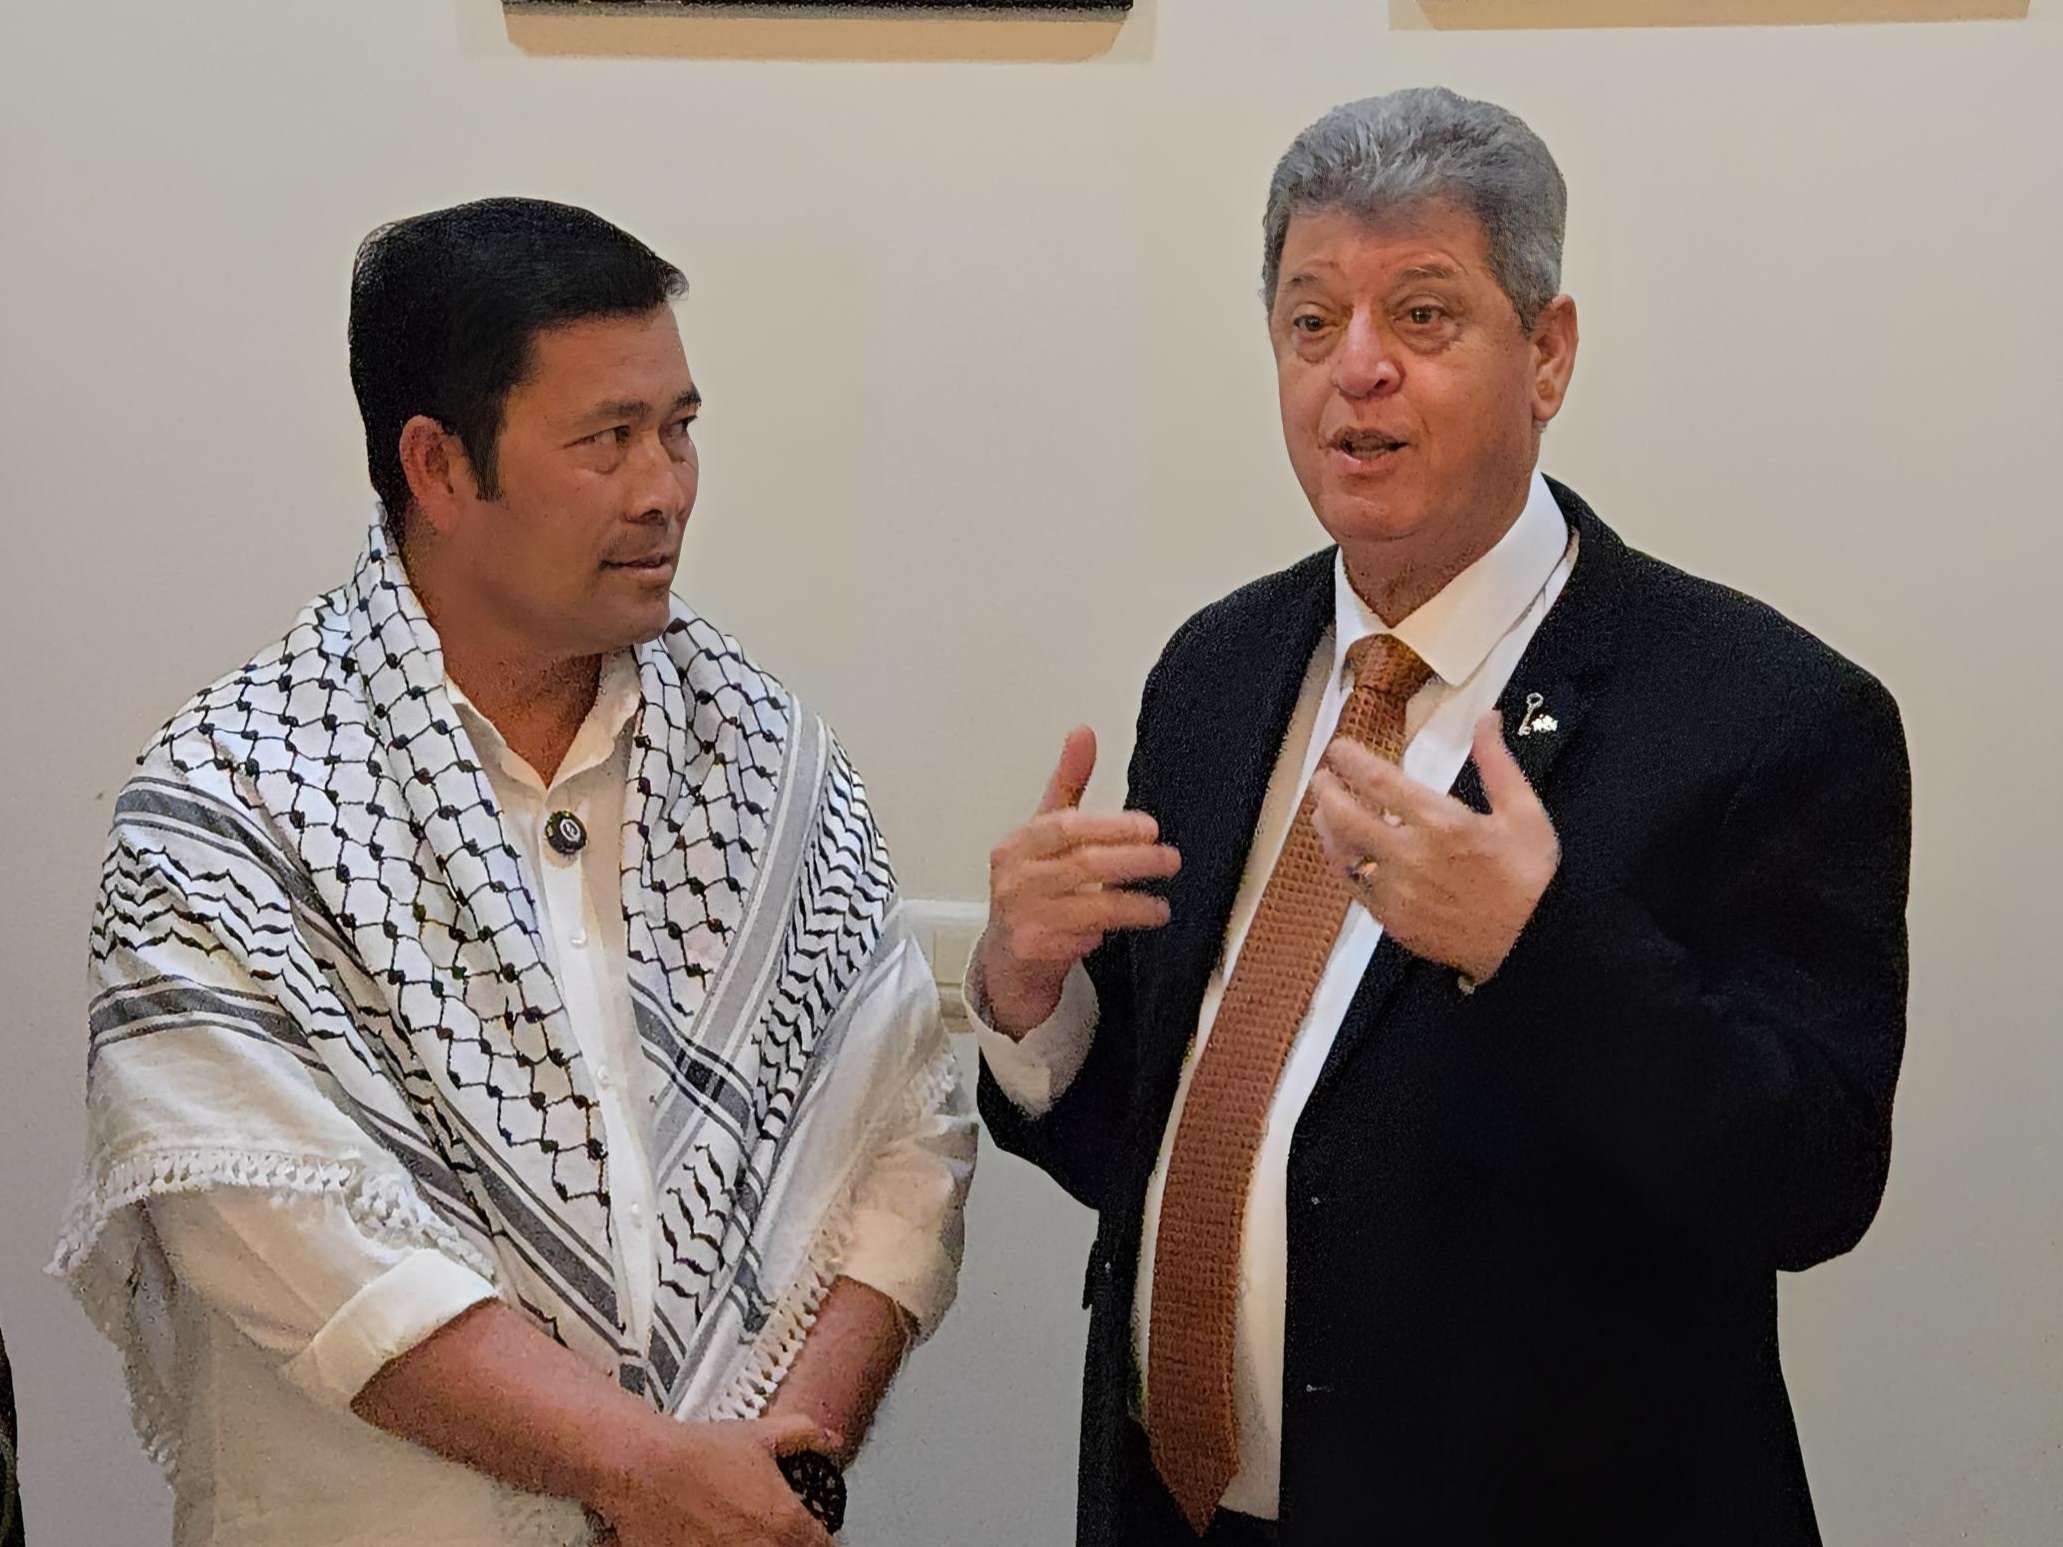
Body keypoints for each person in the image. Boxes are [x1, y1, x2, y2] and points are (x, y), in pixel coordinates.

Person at [973, 88, 1910, 1547]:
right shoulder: (1219, 669)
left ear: (1549, 353)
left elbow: (1811, 1182)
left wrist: (1535, 949)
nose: (1357, 370)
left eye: (1422, 316)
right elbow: (1186, 1150)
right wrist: (1033, 1003)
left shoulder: (1766, 713)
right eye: (1310, 322)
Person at [52, 197, 974, 1547]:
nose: (666, 488)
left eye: (679, 429)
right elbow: (283, 1234)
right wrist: (647, 1471)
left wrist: (773, 1472)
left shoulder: (766, 756)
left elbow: (902, 1133)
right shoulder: (228, 807)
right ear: (437, 467)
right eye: (608, 440)